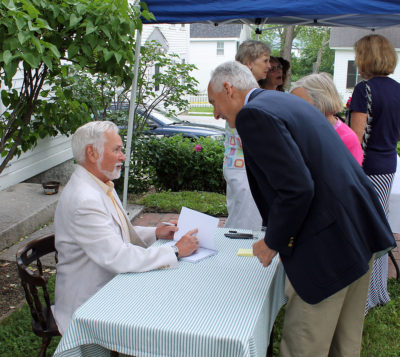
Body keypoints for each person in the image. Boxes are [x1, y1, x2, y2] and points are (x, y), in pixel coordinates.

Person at [208, 61, 395, 357]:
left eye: (213, 103)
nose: (216, 114)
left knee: (304, 346)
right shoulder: (283, 101)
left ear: (228, 89)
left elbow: (296, 189)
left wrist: (273, 242)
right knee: (344, 346)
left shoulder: (252, 115)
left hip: (328, 248)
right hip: (359, 230)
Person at [53, 121, 199, 334]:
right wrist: (176, 251)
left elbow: (113, 233)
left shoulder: (99, 184)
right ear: (92, 153)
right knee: (167, 311)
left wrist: (155, 232)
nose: (123, 156)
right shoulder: (85, 199)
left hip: (110, 284)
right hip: (89, 301)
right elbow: (118, 256)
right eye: (117, 150)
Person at [348, 34, 400, 314]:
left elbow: (356, 139)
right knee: (379, 224)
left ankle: (364, 297)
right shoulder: (397, 89)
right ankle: (378, 292)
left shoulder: (364, 89)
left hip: (367, 167)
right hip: (388, 162)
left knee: (366, 228)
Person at [222, 40, 270, 230]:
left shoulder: (243, 89)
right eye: (265, 61)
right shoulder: (240, 91)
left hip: (239, 165)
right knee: (244, 228)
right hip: (243, 168)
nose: (269, 66)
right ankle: (237, 259)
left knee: (243, 221)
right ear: (250, 62)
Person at [290, 72, 363, 165]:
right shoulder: (299, 130)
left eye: (301, 103)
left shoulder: (346, 138)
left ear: (322, 101)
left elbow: (351, 176)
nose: (294, 108)